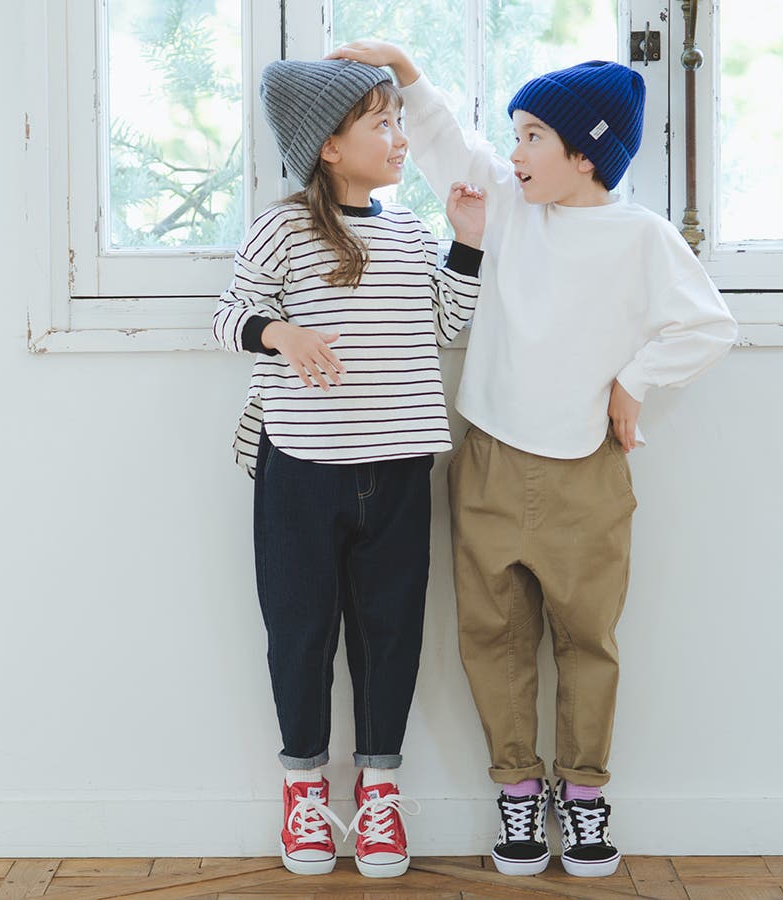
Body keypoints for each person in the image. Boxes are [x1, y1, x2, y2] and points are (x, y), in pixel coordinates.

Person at [326, 41, 737, 878]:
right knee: (494, 637)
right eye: (514, 135)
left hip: (586, 472)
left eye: (532, 137)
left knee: (587, 640)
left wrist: (633, 382)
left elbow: (707, 326)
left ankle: (583, 795)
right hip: (489, 463)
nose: (513, 153)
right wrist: (406, 70)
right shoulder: (510, 207)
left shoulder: (642, 237)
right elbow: (447, 145)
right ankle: (516, 788)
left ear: (586, 155)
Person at [212, 57, 485, 879]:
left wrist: (467, 243)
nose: (400, 139)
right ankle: (303, 791)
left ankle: (379, 795)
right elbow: (229, 313)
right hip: (301, 466)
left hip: (398, 467)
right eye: (382, 124)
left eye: (399, 122)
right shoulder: (282, 228)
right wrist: (281, 333)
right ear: (328, 146)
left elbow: (445, 323)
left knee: (390, 633)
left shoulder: (409, 232)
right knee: (300, 631)